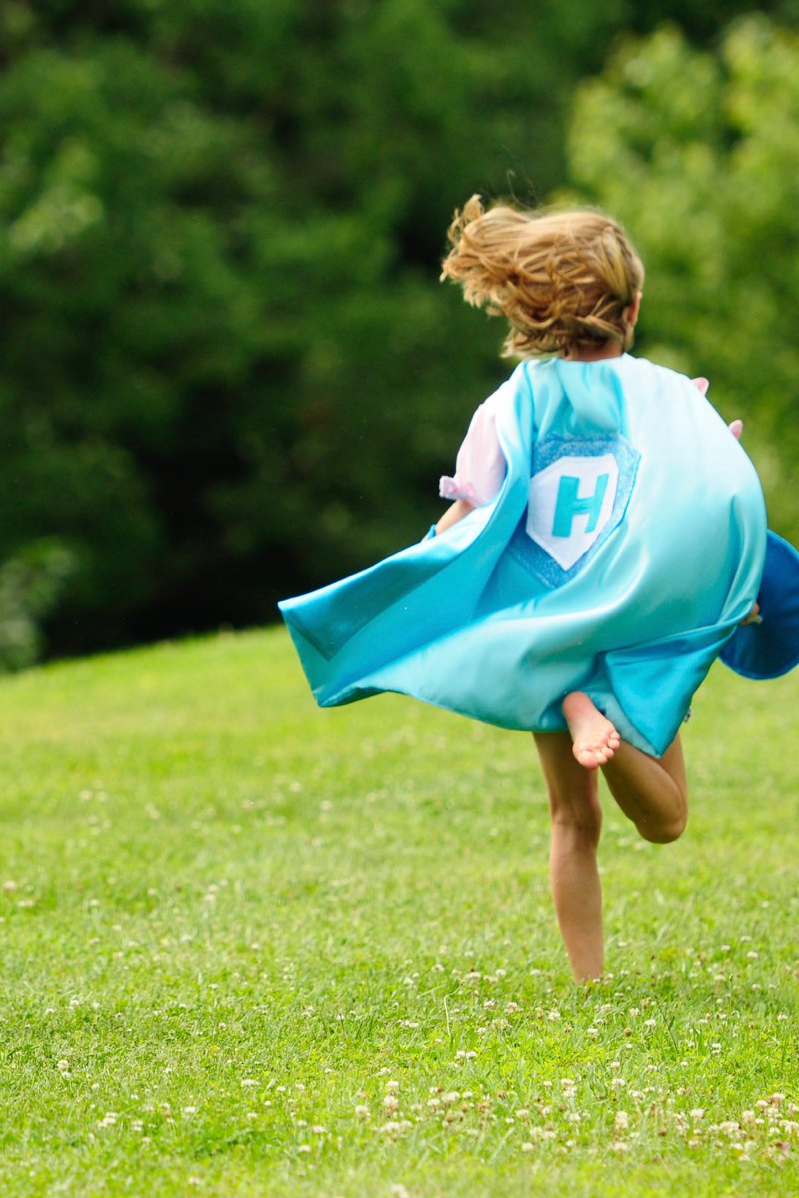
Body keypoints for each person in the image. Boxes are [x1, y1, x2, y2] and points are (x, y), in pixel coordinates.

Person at [280, 197, 770, 981]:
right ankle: (599, 712)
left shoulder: (508, 405)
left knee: (571, 820)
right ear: (631, 308)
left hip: (547, 639)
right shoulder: (674, 398)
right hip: (636, 630)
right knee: (667, 821)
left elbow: (464, 520)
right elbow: (708, 501)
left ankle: (590, 981)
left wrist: (422, 589)